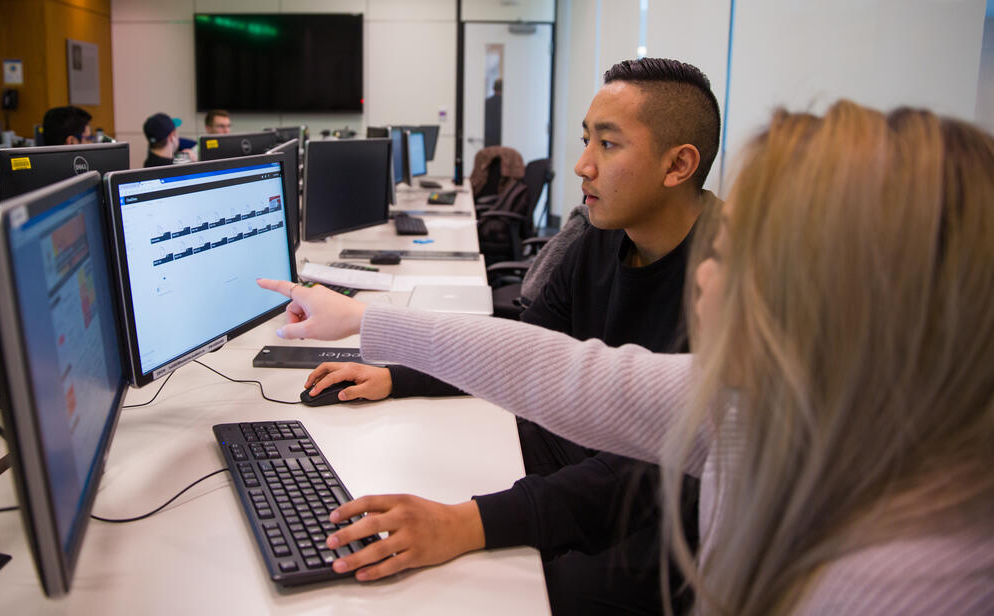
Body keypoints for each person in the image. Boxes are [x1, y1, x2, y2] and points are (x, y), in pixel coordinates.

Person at [260, 101, 994, 614]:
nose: (708, 272)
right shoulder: (759, 403)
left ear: (851, 300)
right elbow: (568, 371)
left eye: (740, 257)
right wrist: (366, 318)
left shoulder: (904, 580)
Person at [301, 57, 722, 614]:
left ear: (679, 165)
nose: (582, 166)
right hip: (577, 456)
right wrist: (395, 376)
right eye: (585, 141)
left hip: (654, 528)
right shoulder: (601, 236)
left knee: (482, 594)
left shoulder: (729, 284)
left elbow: (648, 478)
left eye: (608, 146)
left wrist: (466, 523)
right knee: (419, 453)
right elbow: (528, 347)